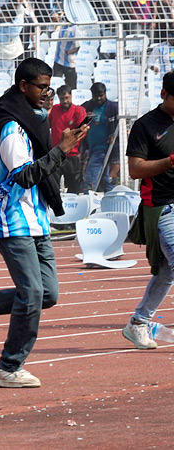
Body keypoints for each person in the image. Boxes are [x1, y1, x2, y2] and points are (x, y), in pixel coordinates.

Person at [0, 58, 87, 388]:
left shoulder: (35, 120)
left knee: (48, 294)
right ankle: (8, 366)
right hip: (11, 219)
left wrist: (64, 146)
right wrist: (62, 150)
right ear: (23, 87)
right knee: (31, 293)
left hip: (36, 220)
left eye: (50, 87)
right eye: (42, 87)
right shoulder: (11, 127)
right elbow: (26, 176)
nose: (48, 93)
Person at [119, 70, 174, 351]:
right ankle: (139, 322)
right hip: (162, 206)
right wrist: (170, 161)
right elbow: (135, 169)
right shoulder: (146, 125)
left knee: (166, 270)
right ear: (164, 94)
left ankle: (138, 322)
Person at [49, 84, 87, 194]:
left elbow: (82, 131)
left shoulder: (78, 111)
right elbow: (48, 124)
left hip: (72, 155)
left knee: (73, 187)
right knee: (53, 186)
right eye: (62, 99)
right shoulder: (55, 109)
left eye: (66, 98)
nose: (65, 101)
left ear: (71, 96)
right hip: (56, 153)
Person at [82, 81, 119, 191]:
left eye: (101, 95)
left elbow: (121, 126)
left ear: (105, 93)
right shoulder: (87, 106)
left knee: (90, 178)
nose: (98, 98)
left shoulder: (113, 107)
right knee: (104, 179)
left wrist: (114, 137)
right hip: (90, 148)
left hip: (104, 148)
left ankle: (87, 195)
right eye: (96, 96)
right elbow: (79, 121)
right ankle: (112, 196)